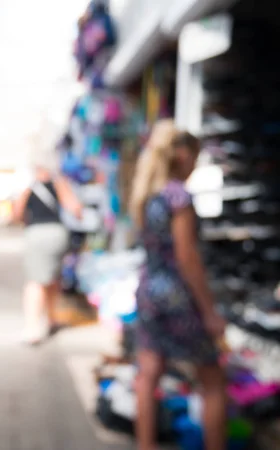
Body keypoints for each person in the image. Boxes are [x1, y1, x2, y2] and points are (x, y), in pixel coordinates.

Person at [129, 120, 226, 450]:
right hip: (176, 295)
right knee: (212, 378)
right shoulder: (178, 197)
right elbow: (187, 257)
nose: (196, 163)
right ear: (182, 155)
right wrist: (209, 310)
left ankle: (145, 445)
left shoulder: (147, 195)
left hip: (148, 291)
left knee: (148, 373)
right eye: (195, 156)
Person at [13, 161, 83, 345]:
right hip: (56, 233)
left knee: (35, 281)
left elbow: (17, 213)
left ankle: (32, 327)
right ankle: (52, 319)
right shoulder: (59, 184)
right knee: (53, 278)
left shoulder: (28, 188)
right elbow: (75, 208)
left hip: (36, 234)